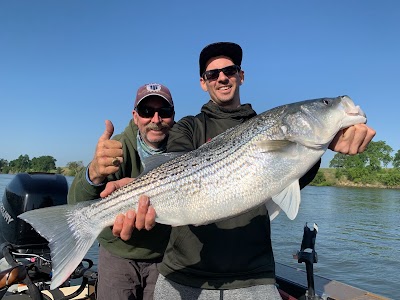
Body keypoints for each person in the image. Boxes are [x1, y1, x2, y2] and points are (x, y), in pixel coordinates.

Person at [107, 42, 376, 300]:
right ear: (204, 82)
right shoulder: (188, 127)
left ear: (241, 76)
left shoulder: (271, 123)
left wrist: (331, 141)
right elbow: (170, 167)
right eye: (213, 74)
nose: (222, 78)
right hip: (184, 275)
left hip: (253, 277)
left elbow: (294, 176)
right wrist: (136, 191)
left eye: (230, 70)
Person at [67, 83, 175, 300]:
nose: (155, 119)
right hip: (117, 254)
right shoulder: (115, 148)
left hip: (165, 257)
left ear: (172, 116)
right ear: (135, 116)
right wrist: (94, 173)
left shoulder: (184, 145)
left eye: (164, 112)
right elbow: (76, 201)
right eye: (146, 112)